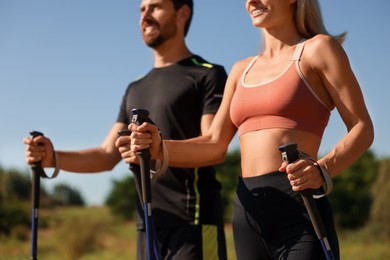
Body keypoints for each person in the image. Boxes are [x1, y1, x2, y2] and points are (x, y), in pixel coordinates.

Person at [126, 0, 374, 259]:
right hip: (247, 211)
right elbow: (214, 143)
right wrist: (159, 147)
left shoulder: (318, 49)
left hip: (300, 206)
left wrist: (323, 170)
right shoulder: (241, 69)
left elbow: (362, 127)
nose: (250, 2)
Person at [24, 0, 228, 259]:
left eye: (155, 7)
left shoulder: (207, 75)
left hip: (194, 222)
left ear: (182, 13)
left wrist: (157, 151)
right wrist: (52, 158)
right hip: (148, 224)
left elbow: (213, 147)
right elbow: (107, 154)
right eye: (142, 9)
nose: (145, 15)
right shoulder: (135, 88)